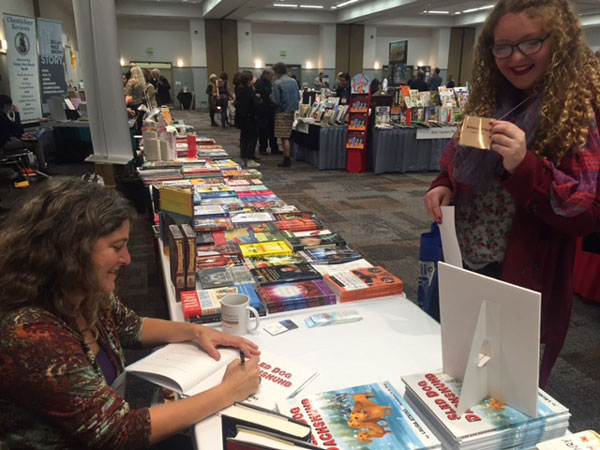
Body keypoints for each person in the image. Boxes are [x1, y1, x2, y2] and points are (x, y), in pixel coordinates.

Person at [0, 178, 261, 449]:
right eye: (116, 247)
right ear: (70, 250)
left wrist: (196, 331)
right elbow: (119, 433)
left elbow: (132, 326)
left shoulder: (83, 291)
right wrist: (227, 392)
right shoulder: (30, 334)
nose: (127, 259)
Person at [423, 0, 600, 388]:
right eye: (502, 47)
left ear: (560, 41)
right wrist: (443, 184)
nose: (515, 58)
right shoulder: (493, 98)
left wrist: (525, 165)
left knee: (505, 388)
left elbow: (585, 215)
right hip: (466, 258)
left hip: (522, 273)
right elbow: (460, 165)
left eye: (530, 43)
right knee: (456, 368)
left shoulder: (579, 109)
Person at [0, 95, 47, 171]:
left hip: (5, 141)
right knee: (37, 143)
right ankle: (42, 167)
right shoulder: (2, 116)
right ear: (6, 105)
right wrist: (17, 113)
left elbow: (9, 130)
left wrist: (20, 135)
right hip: (5, 143)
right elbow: (17, 129)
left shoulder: (3, 116)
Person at [271, 62, 300, 168]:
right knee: (288, 134)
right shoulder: (294, 81)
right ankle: (287, 157)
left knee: (284, 137)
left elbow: (276, 100)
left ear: (277, 71)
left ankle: (287, 159)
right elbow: (298, 96)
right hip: (292, 110)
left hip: (281, 111)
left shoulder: (277, 83)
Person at [236, 71, 260, 168]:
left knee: (243, 139)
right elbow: (254, 105)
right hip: (250, 118)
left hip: (242, 118)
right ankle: (249, 158)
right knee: (252, 139)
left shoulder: (239, 90)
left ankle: (244, 158)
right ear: (250, 80)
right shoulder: (250, 91)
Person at [255, 67, 280, 155]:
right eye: (271, 75)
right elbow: (258, 96)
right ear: (266, 74)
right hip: (263, 110)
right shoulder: (259, 83)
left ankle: (274, 148)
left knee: (272, 130)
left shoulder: (269, 83)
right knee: (263, 130)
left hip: (270, 109)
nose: (273, 77)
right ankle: (263, 148)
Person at [125, 66, 146, 131]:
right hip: (140, 104)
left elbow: (127, 94)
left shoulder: (131, 82)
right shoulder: (143, 83)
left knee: (132, 124)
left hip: (132, 105)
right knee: (139, 123)